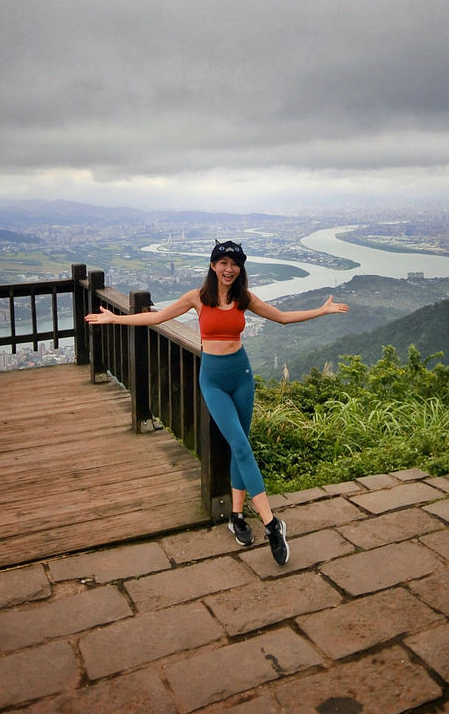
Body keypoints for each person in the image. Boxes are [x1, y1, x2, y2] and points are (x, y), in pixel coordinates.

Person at [84, 239, 349, 565]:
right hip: (213, 381)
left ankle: (236, 516)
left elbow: (281, 317)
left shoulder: (243, 298)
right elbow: (156, 318)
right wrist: (115, 320)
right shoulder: (197, 297)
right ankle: (271, 524)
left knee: (241, 446)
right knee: (240, 446)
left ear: (240, 268)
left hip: (242, 376)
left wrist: (321, 311)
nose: (229, 269)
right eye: (223, 262)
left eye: (235, 264)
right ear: (212, 265)